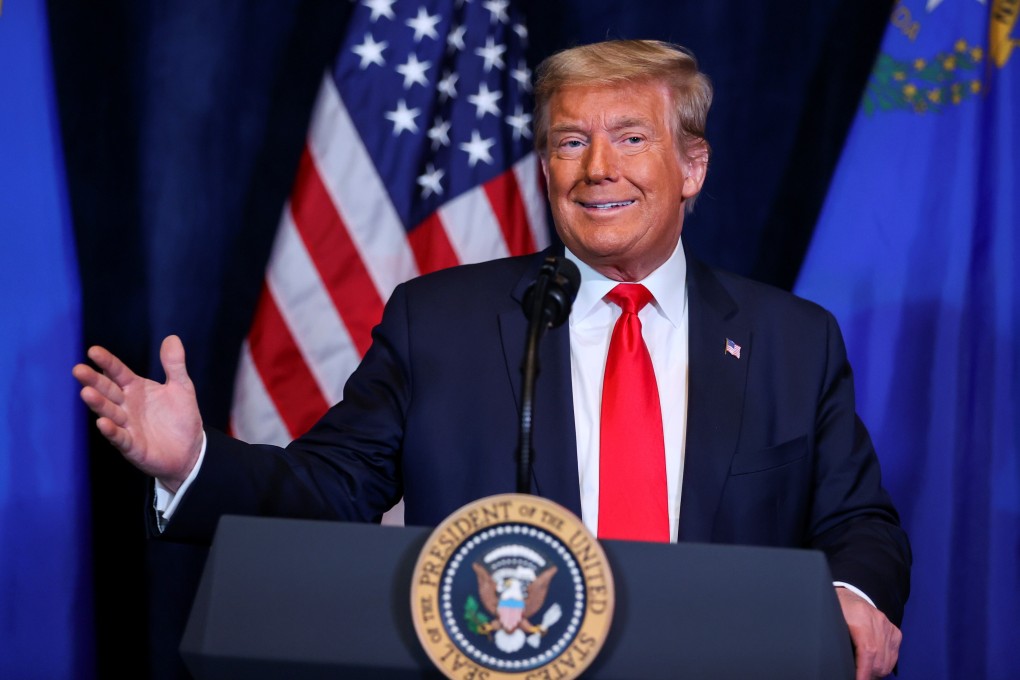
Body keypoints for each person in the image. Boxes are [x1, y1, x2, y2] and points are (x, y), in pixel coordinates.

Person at [74, 39, 909, 678]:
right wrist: (193, 461)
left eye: (629, 137)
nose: (597, 169)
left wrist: (853, 593)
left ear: (691, 166)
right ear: (545, 163)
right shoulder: (440, 320)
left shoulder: (791, 339)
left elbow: (858, 523)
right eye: (569, 141)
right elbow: (329, 489)